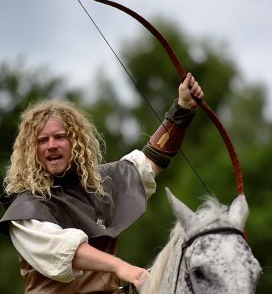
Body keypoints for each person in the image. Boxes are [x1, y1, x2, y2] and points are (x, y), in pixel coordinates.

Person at [0, 73, 204, 294]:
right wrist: (122, 268)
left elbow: (153, 158)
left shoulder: (101, 184)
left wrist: (182, 108)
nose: (51, 145)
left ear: (75, 141)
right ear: (32, 151)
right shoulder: (26, 208)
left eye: (60, 136)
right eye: (42, 140)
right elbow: (65, 250)